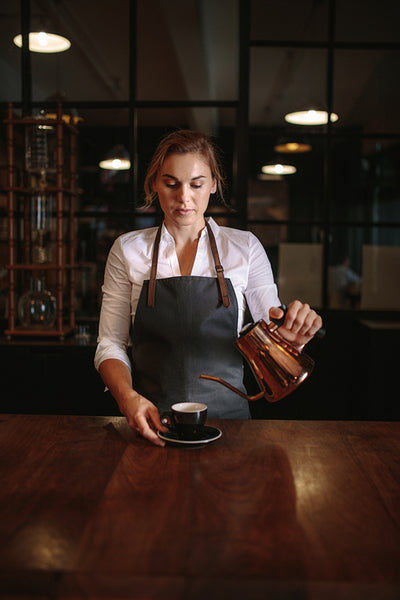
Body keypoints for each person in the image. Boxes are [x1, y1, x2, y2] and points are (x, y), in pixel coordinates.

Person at [94, 130, 323, 447]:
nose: (184, 197)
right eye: (171, 183)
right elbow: (110, 344)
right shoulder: (128, 250)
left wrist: (291, 340)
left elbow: (271, 334)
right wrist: (127, 399)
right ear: (154, 185)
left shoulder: (244, 248)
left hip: (232, 429)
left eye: (196, 184)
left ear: (214, 184)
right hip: (150, 423)